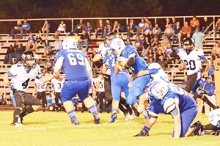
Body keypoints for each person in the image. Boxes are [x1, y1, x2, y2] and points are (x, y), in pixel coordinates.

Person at [53, 37, 100, 125]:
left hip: (73, 81)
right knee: (85, 96)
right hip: (85, 80)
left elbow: (56, 70)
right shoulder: (81, 53)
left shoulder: (63, 53)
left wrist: (58, 77)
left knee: (65, 97)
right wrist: (90, 82)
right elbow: (89, 69)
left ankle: (74, 119)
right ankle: (95, 114)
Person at [2, 50, 54, 126]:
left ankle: (20, 116)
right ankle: (15, 122)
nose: (32, 61)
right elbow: (4, 76)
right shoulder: (17, 67)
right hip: (15, 91)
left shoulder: (35, 68)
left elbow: (42, 79)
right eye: (30, 60)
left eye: (32, 59)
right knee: (20, 106)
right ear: (24, 60)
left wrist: (53, 76)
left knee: (38, 104)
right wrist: (8, 83)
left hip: (23, 92)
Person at [110, 38, 152, 116]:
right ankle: (146, 113)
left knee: (137, 92)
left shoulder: (129, 48)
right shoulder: (121, 55)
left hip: (143, 74)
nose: (114, 52)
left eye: (114, 50)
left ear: (118, 47)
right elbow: (117, 71)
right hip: (136, 76)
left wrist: (124, 66)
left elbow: (132, 60)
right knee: (130, 100)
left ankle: (150, 110)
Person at [178, 38, 217, 110]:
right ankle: (214, 107)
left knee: (186, 92)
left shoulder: (197, 52)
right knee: (199, 95)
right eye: (186, 45)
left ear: (192, 45)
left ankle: (187, 108)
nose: (187, 47)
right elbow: (184, 65)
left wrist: (206, 71)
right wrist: (181, 67)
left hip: (195, 74)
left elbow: (207, 62)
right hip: (190, 75)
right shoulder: (182, 53)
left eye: (188, 45)